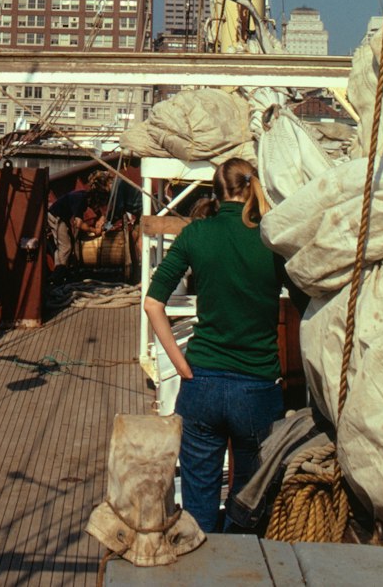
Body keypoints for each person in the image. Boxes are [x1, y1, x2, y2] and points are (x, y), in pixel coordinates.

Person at [142, 158, 284, 534]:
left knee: (199, 512)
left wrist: (181, 364)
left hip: (201, 384)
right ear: (252, 186)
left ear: (217, 191)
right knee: (249, 509)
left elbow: (153, 303)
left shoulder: (195, 235)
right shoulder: (273, 237)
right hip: (256, 389)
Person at [47, 186, 107, 277]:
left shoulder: (86, 196)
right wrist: (94, 230)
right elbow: (79, 224)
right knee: (66, 246)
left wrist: (101, 220)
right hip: (56, 217)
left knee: (68, 242)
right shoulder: (80, 200)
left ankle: (63, 269)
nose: (95, 207)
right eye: (96, 204)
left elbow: (97, 211)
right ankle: (58, 275)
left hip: (62, 217)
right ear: (92, 200)